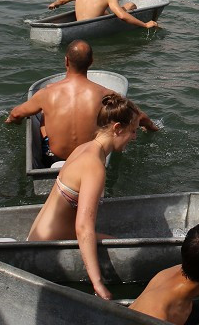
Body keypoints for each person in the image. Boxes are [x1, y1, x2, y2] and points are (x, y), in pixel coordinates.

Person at [27, 93, 141, 300]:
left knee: (118, 242)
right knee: (126, 250)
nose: (134, 137)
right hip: (47, 250)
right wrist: (97, 284)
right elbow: (83, 227)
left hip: (37, 238)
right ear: (117, 128)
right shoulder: (95, 166)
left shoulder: (84, 148)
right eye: (132, 131)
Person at [5, 39, 158, 163]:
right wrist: (151, 127)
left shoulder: (47, 93)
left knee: (45, 114)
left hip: (54, 157)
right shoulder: (105, 94)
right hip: (90, 157)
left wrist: (11, 123)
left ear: (66, 61)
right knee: (106, 117)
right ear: (91, 62)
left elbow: (16, 114)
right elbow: (138, 116)